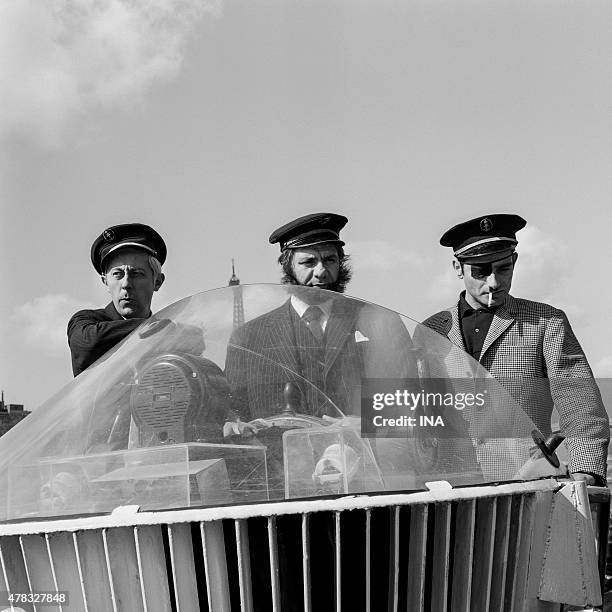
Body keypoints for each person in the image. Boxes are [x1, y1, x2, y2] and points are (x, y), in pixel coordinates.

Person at [422, 213, 609, 485]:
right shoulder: (429, 331)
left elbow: (581, 405)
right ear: (458, 267)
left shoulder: (547, 322)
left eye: (503, 268)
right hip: (449, 491)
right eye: (481, 271)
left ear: (515, 261)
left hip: (528, 489)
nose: (494, 282)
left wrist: (586, 471)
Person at [224, 212, 418, 428]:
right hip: (281, 461)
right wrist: (235, 425)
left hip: (366, 459)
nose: (321, 272)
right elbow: (232, 415)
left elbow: (414, 406)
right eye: (308, 262)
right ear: (288, 267)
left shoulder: (381, 324)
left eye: (330, 260)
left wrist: (369, 425)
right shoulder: (248, 337)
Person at [67, 223, 166, 376]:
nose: (126, 284)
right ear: (105, 281)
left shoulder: (170, 334)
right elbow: (88, 344)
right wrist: (154, 328)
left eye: (137, 273)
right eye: (117, 274)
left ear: (157, 281)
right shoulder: (87, 322)